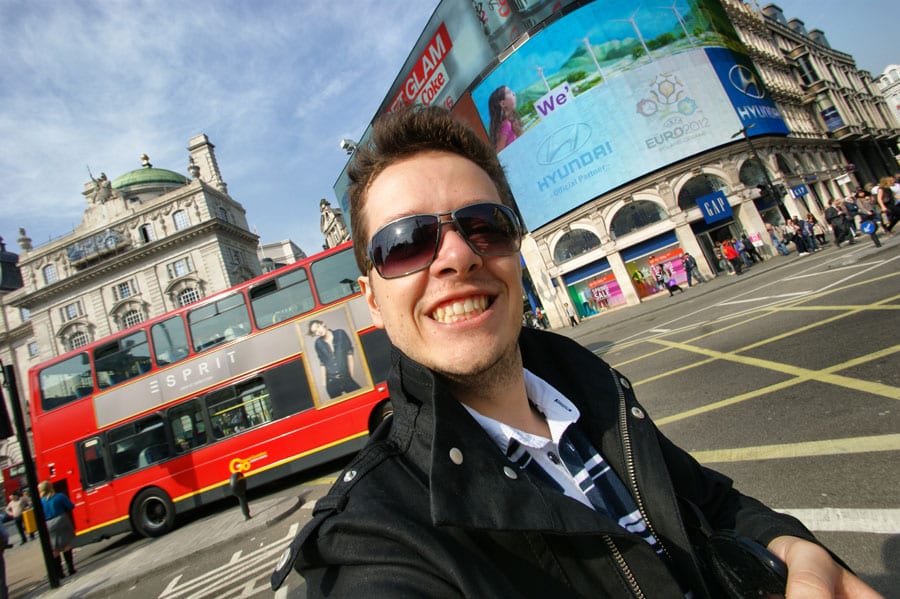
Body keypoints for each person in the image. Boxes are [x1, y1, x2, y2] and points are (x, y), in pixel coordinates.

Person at [271, 107, 878, 598]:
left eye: (484, 225)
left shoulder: (590, 388)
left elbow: (710, 503)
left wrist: (791, 547)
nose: (458, 256)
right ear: (372, 298)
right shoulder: (376, 536)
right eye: (405, 242)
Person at [308, 320, 361, 398]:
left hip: (346, 378)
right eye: (315, 332)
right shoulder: (318, 343)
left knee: (360, 397)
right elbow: (322, 363)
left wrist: (350, 375)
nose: (318, 332)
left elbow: (349, 354)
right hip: (331, 382)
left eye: (318, 327)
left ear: (322, 324)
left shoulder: (340, 333)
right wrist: (324, 383)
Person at [38, 481, 76, 578]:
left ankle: (60, 573)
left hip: (48, 524)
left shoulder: (40, 502)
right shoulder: (59, 496)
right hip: (61, 519)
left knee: (54, 548)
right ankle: (70, 568)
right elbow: (71, 506)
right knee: (66, 544)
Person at [487, 85, 522, 152]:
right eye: (509, 92)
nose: (513, 93)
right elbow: (499, 153)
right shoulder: (506, 125)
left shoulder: (511, 121)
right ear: (503, 103)